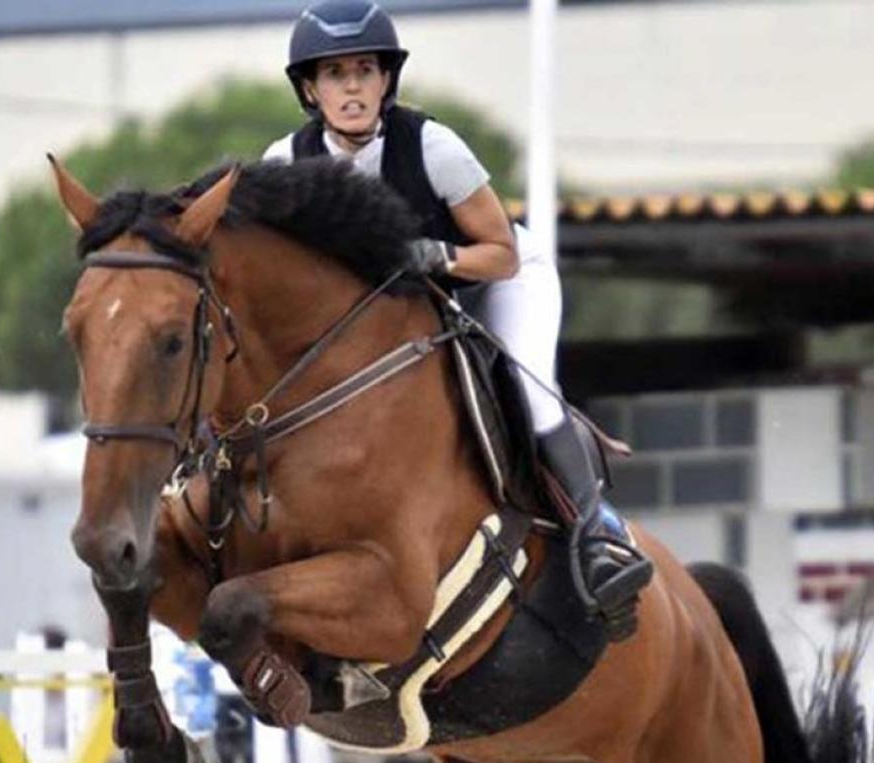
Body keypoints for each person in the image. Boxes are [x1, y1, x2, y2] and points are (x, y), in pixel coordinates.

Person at [264, 0, 651, 640]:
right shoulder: (286, 163)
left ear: (387, 80)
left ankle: (598, 532)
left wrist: (440, 255)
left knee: (529, 394)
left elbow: (497, 252)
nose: (352, 86)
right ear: (311, 88)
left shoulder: (433, 146)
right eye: (335, 74)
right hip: (397, 311)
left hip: (497, 278)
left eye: (364, 70)